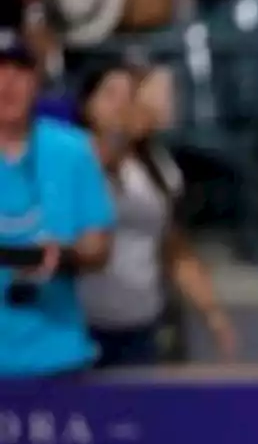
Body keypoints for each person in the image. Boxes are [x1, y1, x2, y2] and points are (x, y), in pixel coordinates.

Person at [73, 60, 237, 368]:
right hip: (83, 324)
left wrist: (212, 312)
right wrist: (123, 131)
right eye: (111, 95)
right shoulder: (72, 157)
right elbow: (104, 161)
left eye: (130, 96)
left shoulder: (159, 168)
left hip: (140, 325)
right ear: (87, 105)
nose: (122, 105)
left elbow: (174, 248)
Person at [0, 26, 113, 378]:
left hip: (58, 357)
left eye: (20, 70)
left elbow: (99, 246)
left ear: (36, 80)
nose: (8, 83)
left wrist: (64, 255)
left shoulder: (73, 149)